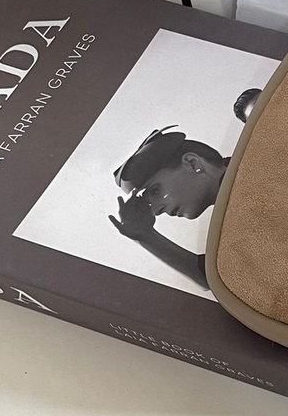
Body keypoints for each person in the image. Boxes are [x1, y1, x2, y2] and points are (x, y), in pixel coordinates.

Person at [109, 90, 260, 290]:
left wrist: (146, 236)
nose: (156, 211)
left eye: (155, 191)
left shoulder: (259, 172)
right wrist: (145, 235)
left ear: (192, 163)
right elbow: (221, 276)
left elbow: (222, 276)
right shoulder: (236, 208)